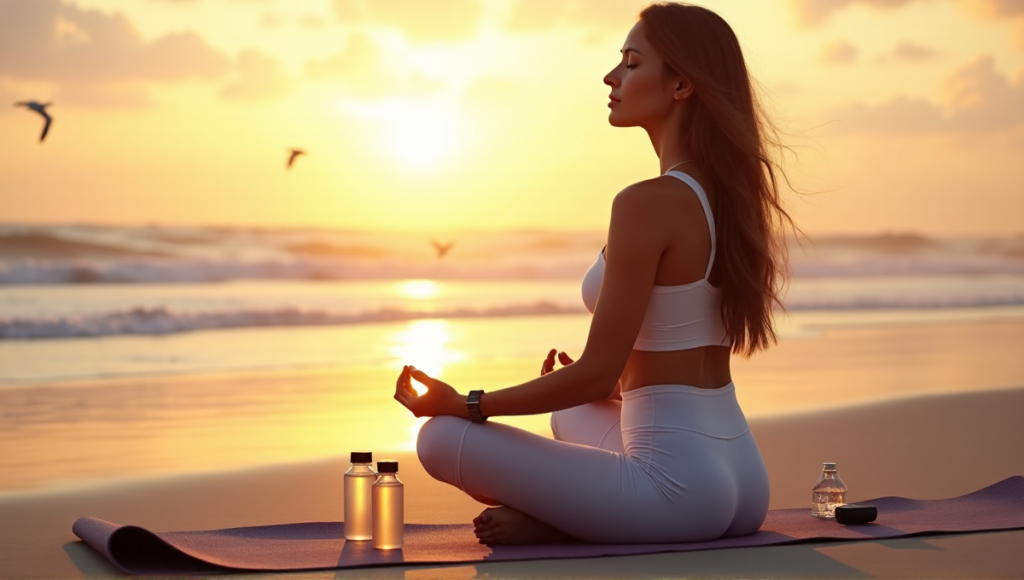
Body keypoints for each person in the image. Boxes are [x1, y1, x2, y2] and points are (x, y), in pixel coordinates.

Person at [393, 1, 794, 545]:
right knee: (576, 412)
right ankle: (572, 511)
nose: (611, 76)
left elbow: (595, 373)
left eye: (631, 63)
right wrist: (604, 389)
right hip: (743, 481)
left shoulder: (646, 202)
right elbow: (651, 355)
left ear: (680, 86)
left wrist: (465, 402)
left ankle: (557, 521)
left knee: (438, 439)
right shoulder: (734, 201)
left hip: (675, 493)